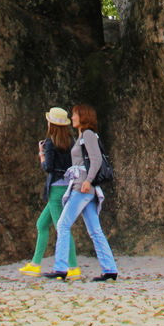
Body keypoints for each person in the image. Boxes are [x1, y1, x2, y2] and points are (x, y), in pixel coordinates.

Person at [44, 104, 119, 282]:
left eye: (76, 114)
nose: (73, 117)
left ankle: (60, 268)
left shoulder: (88, 135)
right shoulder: (82, 136)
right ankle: (110, 269)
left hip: (83, 187)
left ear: (83, 117)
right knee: (95, 230)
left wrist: (88, 180)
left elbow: (96, 159)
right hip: (83, 185)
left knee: (63, 224)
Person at [20, 108, 80, 278]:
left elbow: (48, 167)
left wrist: (41, 155)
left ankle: (73, 266)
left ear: (51, 124)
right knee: (42, 224)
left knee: (63, 228)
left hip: (55, 190)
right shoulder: (71, 140)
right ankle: (35, 263)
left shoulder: (49, 142)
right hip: (67, 187)